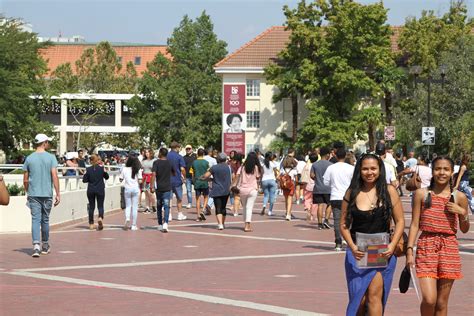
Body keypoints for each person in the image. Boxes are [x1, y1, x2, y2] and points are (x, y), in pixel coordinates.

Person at [340, 153, 405, 315]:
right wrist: (352, 246)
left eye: (374, 168)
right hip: (357, 250)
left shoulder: (389, 190)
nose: (370, 172)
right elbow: (343, 224)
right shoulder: (352, 192)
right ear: (359, 171)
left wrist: (392, 245)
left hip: (380, 248)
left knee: (374, 296)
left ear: (380, 170)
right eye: (365, 169)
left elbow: (400, 221)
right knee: (359, 299)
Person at [406, 156, 470, 315]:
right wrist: (409, 251)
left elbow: (465, 229)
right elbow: (414, 224)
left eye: (446, 169)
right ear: (432, 171)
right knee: (429, 299)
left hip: (449, 248)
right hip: (427, 246)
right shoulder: (422, 194)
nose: (442, 173)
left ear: (451, 172)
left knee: (441, 303)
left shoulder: (459, 197)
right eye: (438, 169)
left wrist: (462, 212)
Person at [22, 134, 60, 257]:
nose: (48, 144)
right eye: (47, 142)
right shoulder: (51, 158)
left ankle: (36, 246)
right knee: (45, 220)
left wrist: (28, 191)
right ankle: (45, 245)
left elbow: (25, 179)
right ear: (44, 143)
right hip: (47, 194)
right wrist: (58, 193)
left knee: (35, 220)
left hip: (33, 193)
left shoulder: (29, 158)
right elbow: (54, 175)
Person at [323, 148, 354, 251]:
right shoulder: (350, 168)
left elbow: (325, 182)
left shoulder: (331, 168)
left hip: (335, 196)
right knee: (348, 219)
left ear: (335, 156)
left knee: (337, 220)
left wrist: (333, 185)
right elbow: (355, 183)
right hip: (348, 197)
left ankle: (338, 243)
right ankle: (348, 240)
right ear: (345, 156)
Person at [201, 153, 232, 230]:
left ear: (217, 159)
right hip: (226, 189)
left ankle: (220, 224)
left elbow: (205, 176)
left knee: (218, 207)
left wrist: (201, 178)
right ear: (225, 159)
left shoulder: (214, 167)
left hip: (217, 189)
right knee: (223, 207)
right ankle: (223, 223)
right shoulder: (228, 167)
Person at [233, 152, 261, 232]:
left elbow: (237, 176)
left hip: (242, 190)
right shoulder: (256, 167)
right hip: (252, 190)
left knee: (245, 207)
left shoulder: (242, 167)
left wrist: (233, 185)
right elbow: (258, 177)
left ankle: (246, 224)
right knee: (249, 207)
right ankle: (247, 225)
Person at [82, 154, 109, 230]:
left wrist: (86, 175)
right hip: (100, 189)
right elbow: (107, 177)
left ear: (90, 161)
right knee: (100, 206)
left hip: (91, 189)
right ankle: (100, 217)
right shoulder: (101, 168)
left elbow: (84, 180)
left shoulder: (88, 169)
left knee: (91, 207)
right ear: (97, 160)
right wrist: (104, 171)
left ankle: (91, 224)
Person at [150, 148, 174, 233]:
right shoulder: (169, 163)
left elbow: (153, 174)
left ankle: (160, 224)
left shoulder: (156, 163)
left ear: (160, 153)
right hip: (167, 187)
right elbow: (174, 172)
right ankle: (166, 223)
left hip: (159, 188)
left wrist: (151, 186)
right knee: (167, 206)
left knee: (159, 206)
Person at [310, 147, 333, 230]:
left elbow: (312, 175)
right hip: (328, 188)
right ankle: (326, 220)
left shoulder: (315, 164)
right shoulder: (331, 165)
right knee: (330, 204)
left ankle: (319, 223)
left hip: (318, 188)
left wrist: (317, 178)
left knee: (320, 205)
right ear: (327, 154)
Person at [119, 156, 141, 231]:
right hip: (135, 188)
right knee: (135, 207)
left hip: (127, 188)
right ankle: (134, 225)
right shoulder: (137, 169)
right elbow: (140, 180)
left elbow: (120, 179)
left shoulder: (124, 169)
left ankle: (127, 218)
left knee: (128, 206)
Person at [167, 141, 187, 221]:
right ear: (176, 147)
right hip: (177, 180)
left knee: (169, 198)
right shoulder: (179, 157)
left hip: (168, 180)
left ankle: (169, 214)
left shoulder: (166, 156)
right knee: (179, 198)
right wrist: (184, 177)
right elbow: (182, 169)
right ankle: (179, 214)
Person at [191, 148, 210, 222]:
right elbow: (208, 173)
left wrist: (193, 181)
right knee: (206, 197)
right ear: (203, 154)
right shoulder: (206, 162)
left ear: (197, 154)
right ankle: (203, 209)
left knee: (197, 199)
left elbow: (192, 173)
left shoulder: (194, 162)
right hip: (204, 182)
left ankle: (198, 215)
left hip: (197, 182)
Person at [260, 151, 279, 216]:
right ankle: (270, 211)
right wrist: (277, 178)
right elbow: (276, 172)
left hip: (264, 180)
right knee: (272, 196)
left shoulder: (263, 164)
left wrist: (260, 182)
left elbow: (261, 173)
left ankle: (264, 205)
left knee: (266, 195)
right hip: (272, 179)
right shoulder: (273, 163)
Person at [280, 156, 298, 220]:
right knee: (290, 200)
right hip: (291, 185)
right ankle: (288, 214)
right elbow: (296, 180)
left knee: (286, 199)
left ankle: (286, 212)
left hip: (284, 186)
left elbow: (280, 176)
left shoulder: (282, 169)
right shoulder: (294, 170)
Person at [302, 153, 318, 221]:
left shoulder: (306, 166)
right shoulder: (316, 166)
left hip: (307, 184)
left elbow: (302, 175)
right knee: (315, 201)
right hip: (315, 185)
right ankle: (313, 214)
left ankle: (308, 209)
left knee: (307, 199)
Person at [141, 149, 157, 214]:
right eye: (146, 152)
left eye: (148, 152)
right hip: (145, 177)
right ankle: (147, 207)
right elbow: (141, 168)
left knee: (151, 193)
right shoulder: (143, 161)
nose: (147, 153)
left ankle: (153, 205)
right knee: (146, 192)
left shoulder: (154, 160)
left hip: (151, 177)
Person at [229, 152, 243, 217]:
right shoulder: (242, 165)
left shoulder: (232, 163)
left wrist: (232, 184)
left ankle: (235, 212)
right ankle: (245, 211)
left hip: (236, 180)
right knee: (243, 198)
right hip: (242, 181)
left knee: (236, 197)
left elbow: (233, 174)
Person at [183, 144, 196, 209]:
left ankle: (198, 202)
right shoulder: (184, 157)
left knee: (198, 190)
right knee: (188, 190)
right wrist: (183, 177)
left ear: (191, 149)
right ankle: (190, 203)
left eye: (189, 149)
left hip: (195, 176)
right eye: (187, 149)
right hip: (187, 176)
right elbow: (182, 167)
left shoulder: (195, 156)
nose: (188, 150)